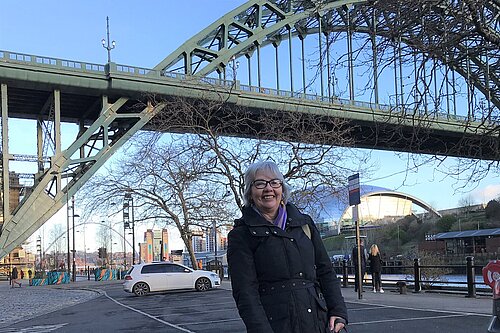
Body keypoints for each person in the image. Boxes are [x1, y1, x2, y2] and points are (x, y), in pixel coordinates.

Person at [227, 161, 348, 333]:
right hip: (276, 325)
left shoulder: (304, 224)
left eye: (275, 182)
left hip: (317, 323)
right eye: (260, 183)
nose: (268, 188)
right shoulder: (242, 235)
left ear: (282, 189)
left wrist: (338, 310)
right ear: (250, 193)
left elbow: (325, 270)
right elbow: (245, 293)